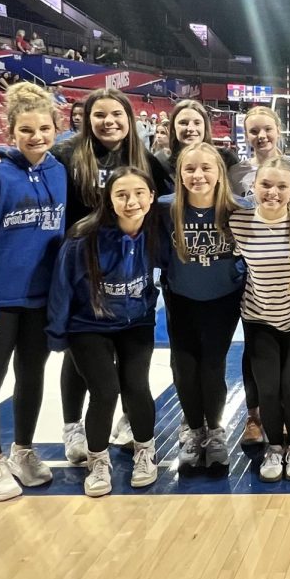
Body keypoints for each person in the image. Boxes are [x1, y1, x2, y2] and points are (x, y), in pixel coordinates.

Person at [48, 89, 172, 462]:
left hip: (128, 267)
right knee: (79, 353)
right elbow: (34, 174)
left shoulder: (143, 158)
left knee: (129, 369)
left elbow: (168, 199)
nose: (109, 122)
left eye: (116, 114)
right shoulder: (67, 154)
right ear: (86, 119)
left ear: (129, 118)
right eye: (99, 114)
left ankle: (127, 420)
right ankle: (73, 426)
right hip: (82, 264)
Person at [0, 84, 66, 501]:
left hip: (41, 299)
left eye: (44, 127)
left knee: (32, 376)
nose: (37, 136)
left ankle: (23, 451)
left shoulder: (58, 172)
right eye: (26, 129)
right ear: (10, 131)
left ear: (56, 127)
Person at [47, 167, 166, 497]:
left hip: (136, 322)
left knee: (136, 385)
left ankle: (145, 450)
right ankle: (98, 460)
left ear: (152, 197)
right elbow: (62, 286)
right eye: (122, 195)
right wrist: (57, 333)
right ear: (108, 199)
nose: (131, 202)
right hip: (89, 324)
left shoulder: (157, 228)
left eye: (139, 193)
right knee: (105, 390)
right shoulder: (84, 236)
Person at [229, 163, 290, 482]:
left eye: (281, 187)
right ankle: (274, 447)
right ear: (253, 187)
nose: (273, 192)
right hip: (259, 318)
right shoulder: (239, 221)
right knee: (268, 389)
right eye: (266, 185)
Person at [160, 144, 245, 470]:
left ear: (220, 173)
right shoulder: (164, 210)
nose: (198, 175)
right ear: (179, 174)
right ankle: (194, 431)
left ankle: (216, 432)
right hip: (181, 299)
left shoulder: (238, 208)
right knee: (183, 369)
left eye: (206, 168)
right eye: (190, 168)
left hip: (223, 300)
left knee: (212, 367)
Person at [229, 104, 290, 201]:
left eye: (268, 129)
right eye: (254, 131)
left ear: (278, 131)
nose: (261, 135)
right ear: (246, 135)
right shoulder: (236, 172)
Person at [156, 99, 239, 178]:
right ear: (173, 128)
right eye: (183, 123)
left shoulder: (226, 158)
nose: (190, 128)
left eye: (197, 123)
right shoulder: (160, 161)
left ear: (205, 127)